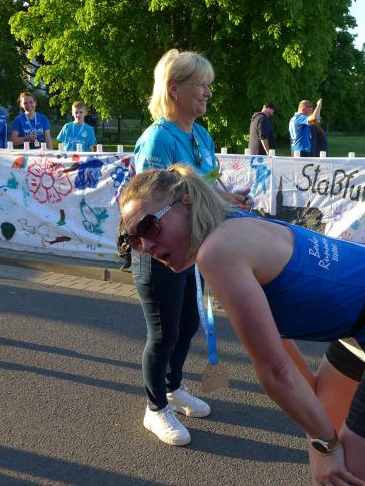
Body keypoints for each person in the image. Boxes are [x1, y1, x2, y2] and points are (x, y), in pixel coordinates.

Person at [118, 164, 365, 485]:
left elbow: (276, 372)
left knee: (340, 478)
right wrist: (321, 440)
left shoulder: (218, 251)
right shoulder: (231, 224)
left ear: (186, 201)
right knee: (321, 431)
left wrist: (326, 444)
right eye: (132, 239)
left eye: (149, 226)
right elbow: (288, 364)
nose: (145, 246)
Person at [131, 49, 251, 447]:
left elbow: (208, 185)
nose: (208, 93)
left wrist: (229, 199)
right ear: (173, 89)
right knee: (164, 333)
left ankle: (172, 388)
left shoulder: (201, 135)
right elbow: (149, 208)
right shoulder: (157, 140)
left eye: (208, 85)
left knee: (188, 325)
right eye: (201, 85)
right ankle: (154, 409)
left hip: (192, 249)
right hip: (158, 253)